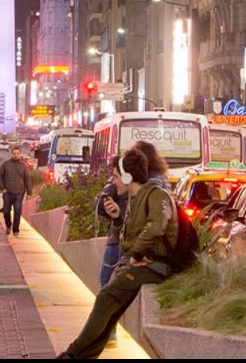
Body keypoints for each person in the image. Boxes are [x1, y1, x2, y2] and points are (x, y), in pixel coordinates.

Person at [57, 148, 178, 359]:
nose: (114, 183)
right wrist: (117, 218)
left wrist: (137, 255)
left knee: (106, 297)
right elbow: (127, 240)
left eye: (115, 177)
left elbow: (156, 227)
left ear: (128, 176)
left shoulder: (157, 195)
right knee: (111, 309)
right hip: (145, 264)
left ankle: (72, 354)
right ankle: (82, 355)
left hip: (155, 265)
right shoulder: (137, 199)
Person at [96, 164, 130, 345]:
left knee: (106, 284)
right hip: (120, 240)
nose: (114, 181)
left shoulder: (135, 191)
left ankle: (108, 330)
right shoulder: (149, 186)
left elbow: (99, 207)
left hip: (119, 243)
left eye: (116, 177)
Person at [0, 145, 32, 237]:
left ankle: (16, 230)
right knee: (6, 211)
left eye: (17, 153)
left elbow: (27, 179)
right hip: (7, 192)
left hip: (19, 192)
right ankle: (8, 225)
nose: (16, 155)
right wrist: (2, 188)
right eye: (14, 153)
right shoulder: (5, 164)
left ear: (20, 154)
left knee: (17, 211)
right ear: (11, 154)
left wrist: (29, 192)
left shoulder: (23, 166)